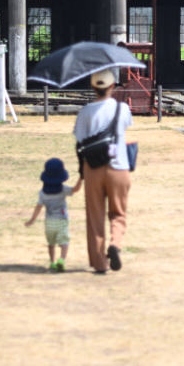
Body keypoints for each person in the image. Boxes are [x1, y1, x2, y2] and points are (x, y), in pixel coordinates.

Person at [73, 68, 133, 273]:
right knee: (118, 213)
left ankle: (99, 263)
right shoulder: (122, 109)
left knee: (94, 216)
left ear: (92, 87)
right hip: (119, 167)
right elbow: (126, 128)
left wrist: (81, 174)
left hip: (93, 168)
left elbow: (79, 143)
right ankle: (115, 244)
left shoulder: (85, 112)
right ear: (112, 86)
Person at [25, 158, 83, 271]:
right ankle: (61, 259)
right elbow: (75, 189)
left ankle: (52, 262)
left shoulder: (42, 193)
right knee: (64, 242)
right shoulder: (63, 190)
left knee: (51, 244)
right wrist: (81, 178)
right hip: (62, 221)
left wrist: (32, 220)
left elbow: (38, 207)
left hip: (49, 223)